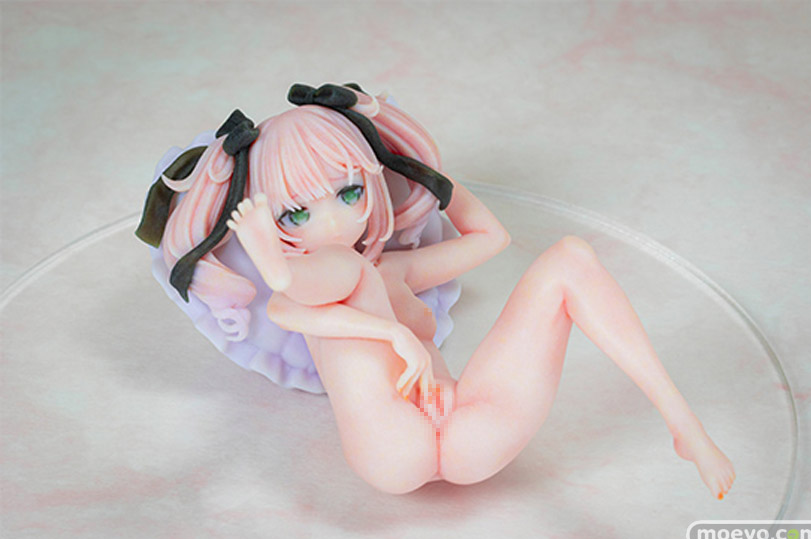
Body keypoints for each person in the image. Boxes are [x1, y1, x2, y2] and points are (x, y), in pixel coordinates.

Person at [139, 83, 735, 497]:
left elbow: (491, 238)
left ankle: (683, 424)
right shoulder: (325, 270)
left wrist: (419, 167)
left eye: (350, 193)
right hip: (389, 439)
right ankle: (684, 423)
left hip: (467, 424)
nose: (335, 221)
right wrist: (386, 330)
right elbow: (289, 300)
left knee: (570, 260)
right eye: (297, 213)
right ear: (275, 225)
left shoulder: (388, 272)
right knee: (352, 272)